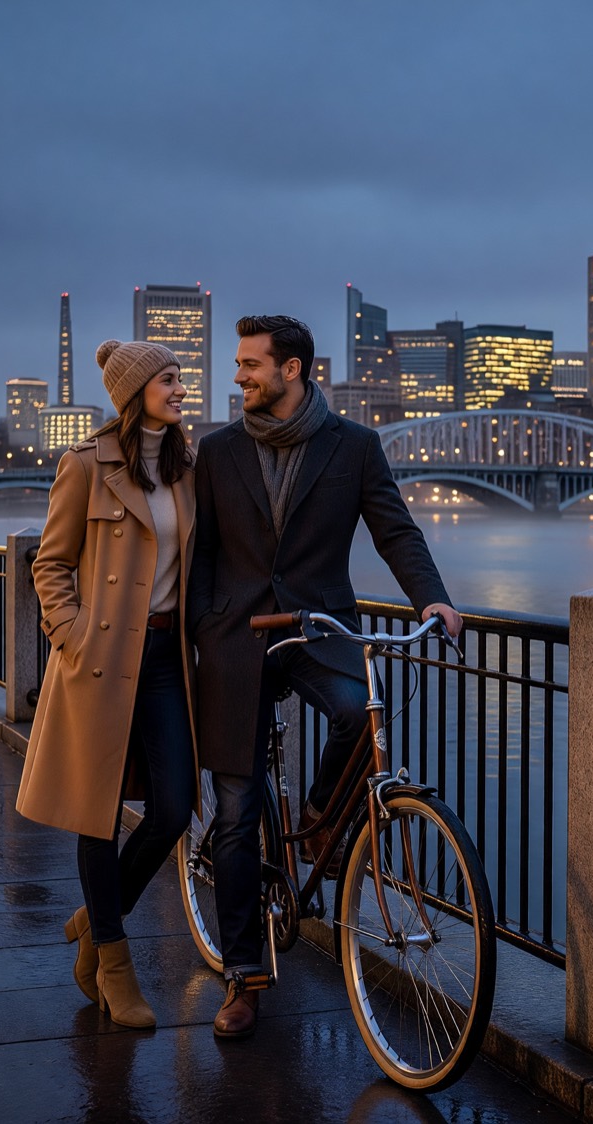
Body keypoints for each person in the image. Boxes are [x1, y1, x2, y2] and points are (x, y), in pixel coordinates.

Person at [189, 314, 463, 1039]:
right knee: (239, 815)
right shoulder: (215, 452)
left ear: (294, 370)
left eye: (251, 365)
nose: (239, 376)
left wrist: (430, 596)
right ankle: (244, 977)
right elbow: (201, 554)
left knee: (356, 712)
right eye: (239, 363)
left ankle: (316, 821)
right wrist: (201, 635)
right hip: (237, 641)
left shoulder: (355, 447)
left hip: (316, 631)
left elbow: (395, 529)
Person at [15, 339, 197, 1030]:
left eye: (181, 377)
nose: (181, 388)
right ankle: (115, 967)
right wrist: (72, 634)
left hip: (164, 661)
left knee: (175, 809)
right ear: (135, 391)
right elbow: (50, 562)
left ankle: (97, 917)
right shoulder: (86, 465)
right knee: (96, 811)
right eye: (169, 379)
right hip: (100, 663)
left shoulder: (188, 465)